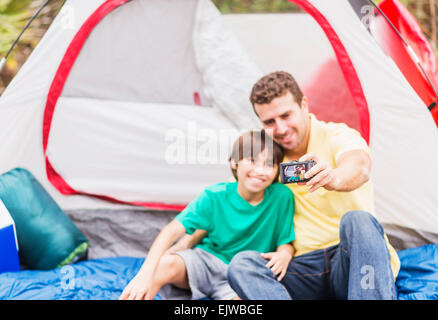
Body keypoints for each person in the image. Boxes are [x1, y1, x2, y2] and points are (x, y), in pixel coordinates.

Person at [174, 71, 400, 300]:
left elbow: (359, 167)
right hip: (303, 269)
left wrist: (334, 178)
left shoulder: (337, 135)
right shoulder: (267, 161)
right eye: (269, 122)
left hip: (351, 261)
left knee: (358, 220)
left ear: (304, 105)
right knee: (242, 264)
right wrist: (183, 245)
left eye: (286, 115)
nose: (280, 129)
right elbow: (225, 206)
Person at [119, 130, 296, 300]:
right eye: (252, 160)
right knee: (163, 265)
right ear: (235, 163)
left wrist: (285, 254)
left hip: (242, 274)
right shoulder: (214, 196)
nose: (260, 170)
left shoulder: (281, 197)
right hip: (206, 262)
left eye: (269, 164)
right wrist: (144, 275)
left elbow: (285, 242)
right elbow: (171, 230)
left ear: (276, 171)